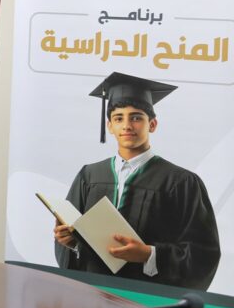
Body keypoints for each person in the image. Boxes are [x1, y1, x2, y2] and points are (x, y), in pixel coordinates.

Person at [54, 72, 220, 289]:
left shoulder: (181, 182)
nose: (127, 125)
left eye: (136, 117)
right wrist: (71, 243)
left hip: (147, 296)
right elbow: (73, 242)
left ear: (152, 124)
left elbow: (203, 253)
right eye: (118, 118)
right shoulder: (89, 176)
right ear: (109, 126)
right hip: (93, 293)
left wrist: (149, 254)